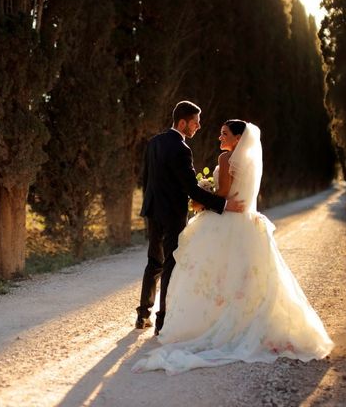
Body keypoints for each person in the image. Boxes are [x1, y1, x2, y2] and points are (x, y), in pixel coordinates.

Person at [132, 120, 334, 374]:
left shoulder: (227, 159)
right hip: (247, 221)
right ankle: (243, 324)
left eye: (224, 133)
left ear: (238, 138)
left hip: (226, 220)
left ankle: (205, 323)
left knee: (210, 273)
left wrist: (200, 200)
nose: (219, 137)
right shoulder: (248, 160)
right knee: (244, 278)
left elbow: (224, 193)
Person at [135, 101, 244, 334]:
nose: (199, 126)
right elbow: (191, 189)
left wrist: (148, 205)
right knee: (170, 265)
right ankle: (162, 320)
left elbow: (147, 180)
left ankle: (142, 315)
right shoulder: (182, 149)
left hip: (153, 210)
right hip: (173, 214)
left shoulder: (153, 143)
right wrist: (224, 204)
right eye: (195, 122)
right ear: (183, 122)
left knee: (153, 262)